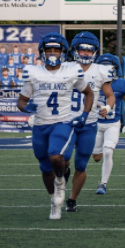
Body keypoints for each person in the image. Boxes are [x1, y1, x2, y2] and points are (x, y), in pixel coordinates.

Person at [16, 33, 94, 220]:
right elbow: (21, 101)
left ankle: (61, 180)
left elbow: (89, 93)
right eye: (48, 50)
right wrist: (26, 108)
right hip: (40, 125)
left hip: (62, 122)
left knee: (56, 155)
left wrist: (84, 115)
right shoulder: (32, 72)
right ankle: (54, 202)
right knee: (44, 168)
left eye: (56, 50)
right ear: (42, 52)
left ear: (63, 52)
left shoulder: (73, 69)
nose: (52, 53)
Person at [64, 32, 117, 213]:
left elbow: (110, 95)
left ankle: (72, 199)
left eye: (90, 50)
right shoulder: (64, 67)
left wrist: (108, 108)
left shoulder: (101, 70)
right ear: (75, 50)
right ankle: (63, 172)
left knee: (81, 165)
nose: (86, 54)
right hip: (66, 121)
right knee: (61, 159)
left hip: (89, 123)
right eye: (82, 49)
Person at [92, 54, 125, 196]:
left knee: (108, 151)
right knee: (96, 157)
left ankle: (103, 184)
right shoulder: (92, 82)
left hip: (112, 123)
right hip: (95, 124)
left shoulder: (121, 84)